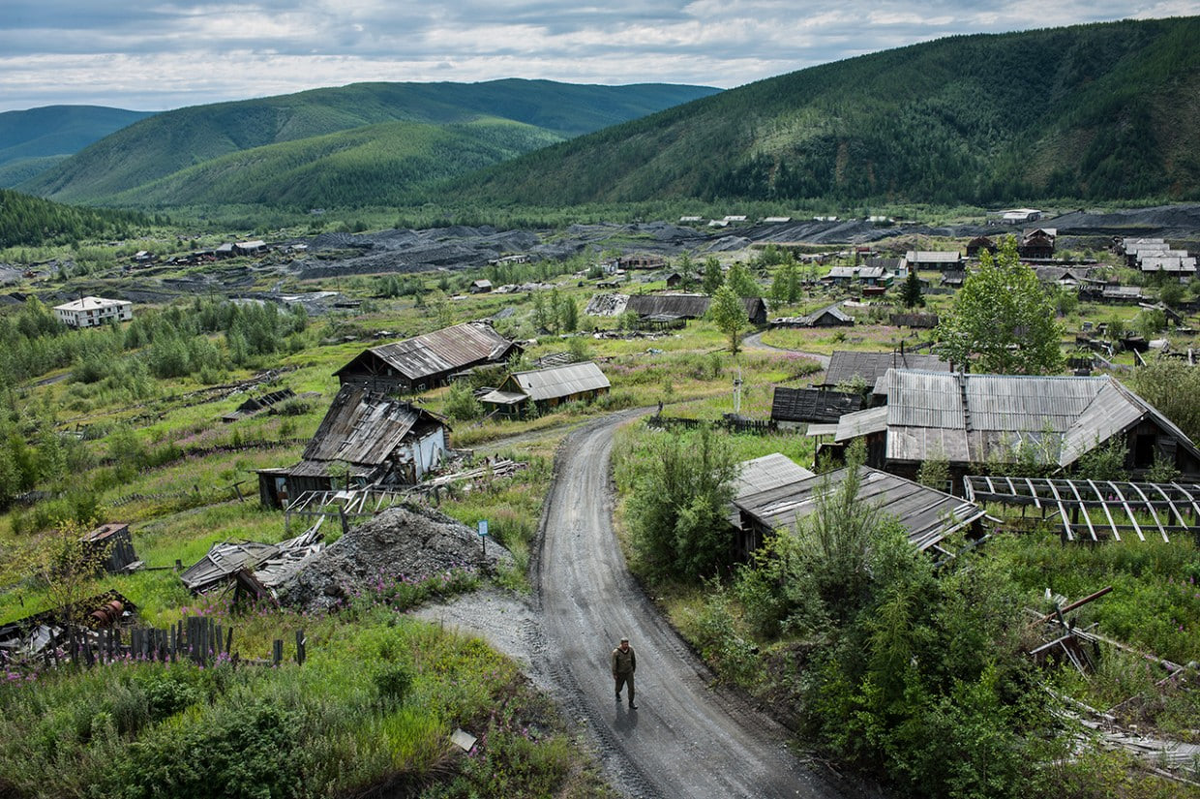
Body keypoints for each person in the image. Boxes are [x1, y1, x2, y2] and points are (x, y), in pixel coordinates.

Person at [612, 636, 637, 709]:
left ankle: (631, 702)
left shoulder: (631, 650)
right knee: (619, 686)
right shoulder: (616, 652)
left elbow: (633, 660)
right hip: (620, 672)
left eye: (627, 644)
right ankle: (617, 693)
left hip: (629, 672)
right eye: (625, 644)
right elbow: (614, 664)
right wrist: (615, 673)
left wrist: (633, 669)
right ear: (621, 644)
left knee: (631, 688)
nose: (626, 646)